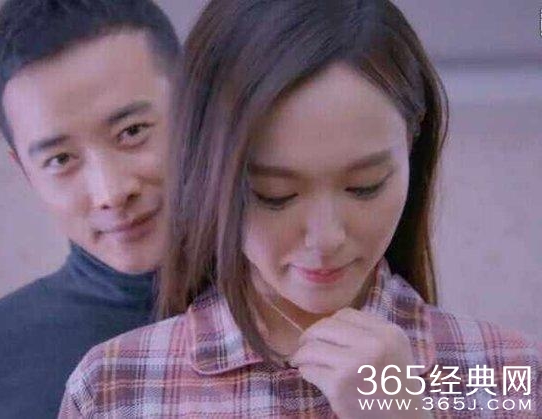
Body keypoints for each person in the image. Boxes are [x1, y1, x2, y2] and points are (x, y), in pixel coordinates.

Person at [59, 0, 541, 417]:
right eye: (275, 195)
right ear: (208, 176)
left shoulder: (508, 373)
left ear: (412, 151)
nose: (326, 237)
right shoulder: (115, 387)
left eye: (365, 187)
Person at [0, 0, 180, 417]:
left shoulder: (287, 300)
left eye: (132, 132)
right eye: (60, 160)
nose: (110, 192)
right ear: (25, 172)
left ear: (194, 109)